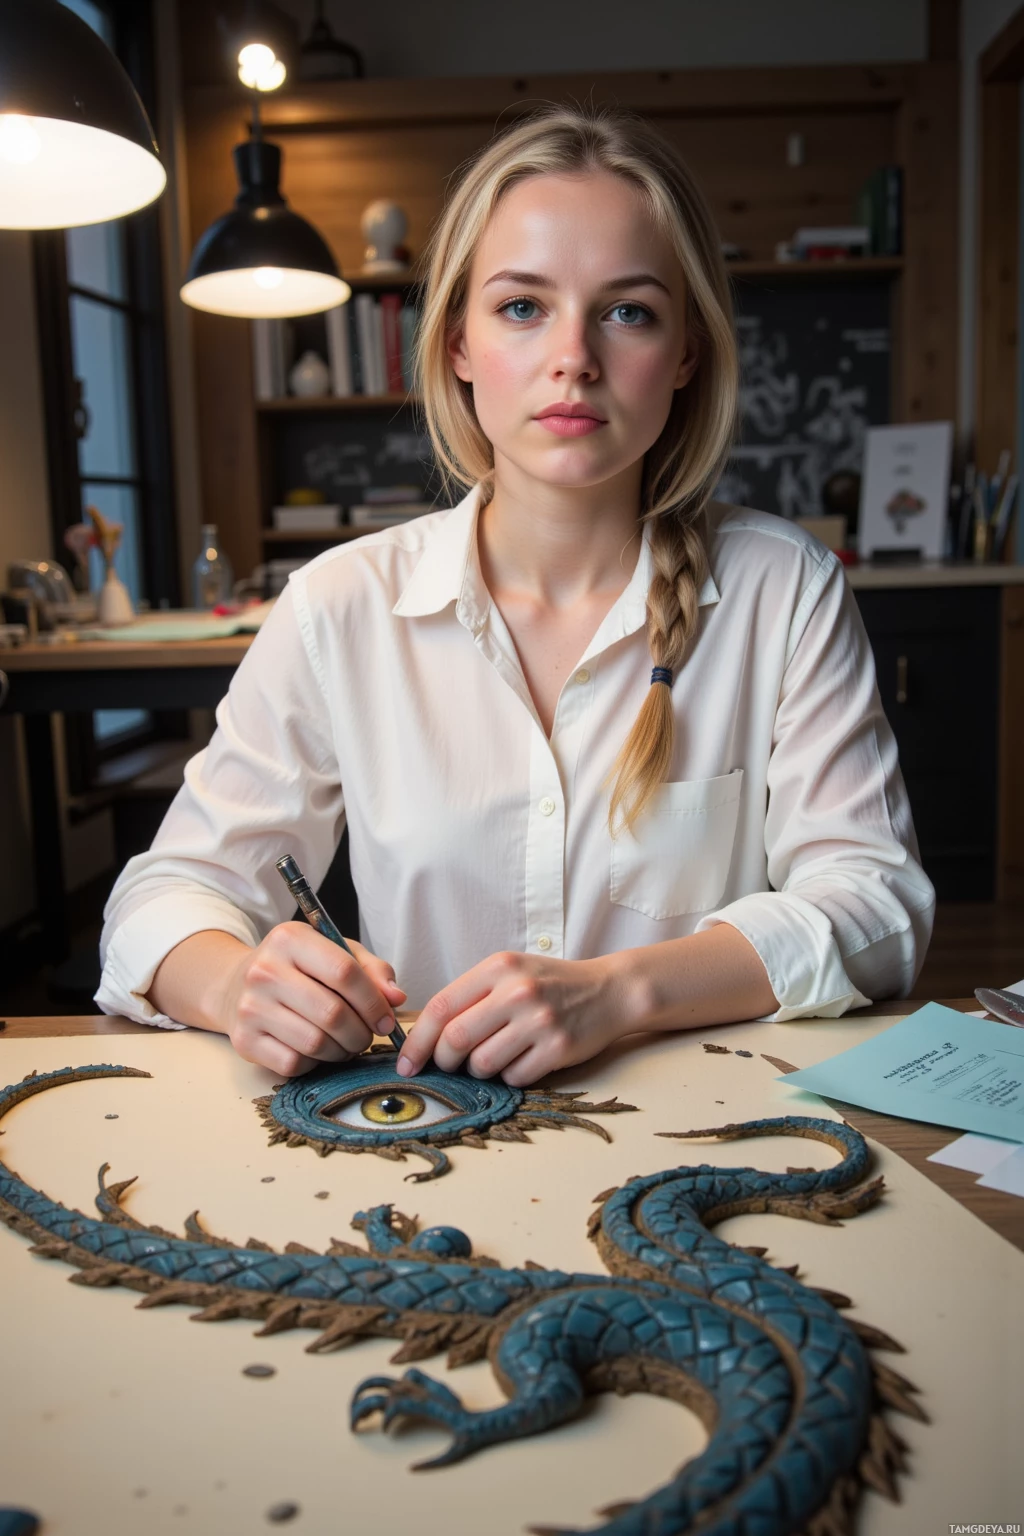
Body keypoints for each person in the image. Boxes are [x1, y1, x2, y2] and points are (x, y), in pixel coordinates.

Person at [96, 105, 935, 1085]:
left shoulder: (781, 590)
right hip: (417, 1146)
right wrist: (244, 982)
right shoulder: (339, 606)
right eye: (522, 307)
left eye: (627, 310)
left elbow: (877, 906)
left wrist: (621, 992)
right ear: (456, 342)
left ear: (686, 353)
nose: (572, 356)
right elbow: (168, 897)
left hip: (712, 1134)